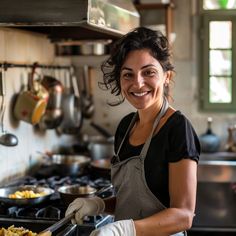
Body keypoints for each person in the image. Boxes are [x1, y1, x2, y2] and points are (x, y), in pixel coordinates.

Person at [66, 27, 200, 236]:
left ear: (167, 76)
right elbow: (134, 201)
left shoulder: (177, 129)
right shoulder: (125, 126)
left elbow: (184, 215)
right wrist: (99, 205)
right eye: (128, 74)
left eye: (148, 72)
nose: (137, 83)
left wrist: (124, 229)